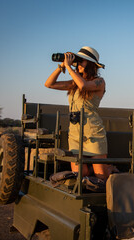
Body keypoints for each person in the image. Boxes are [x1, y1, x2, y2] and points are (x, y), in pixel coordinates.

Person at [45, 46, 114, 181]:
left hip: (93, 132)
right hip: (75, 133)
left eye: (81, 61)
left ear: (91, 65)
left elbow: (83, 85)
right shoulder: (74, 83)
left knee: (101, 176)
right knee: (80, 174)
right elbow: (49, 84)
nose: (78, 64)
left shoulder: (99, 82)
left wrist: (69, 68)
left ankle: (111, 169)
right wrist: (61, 67)